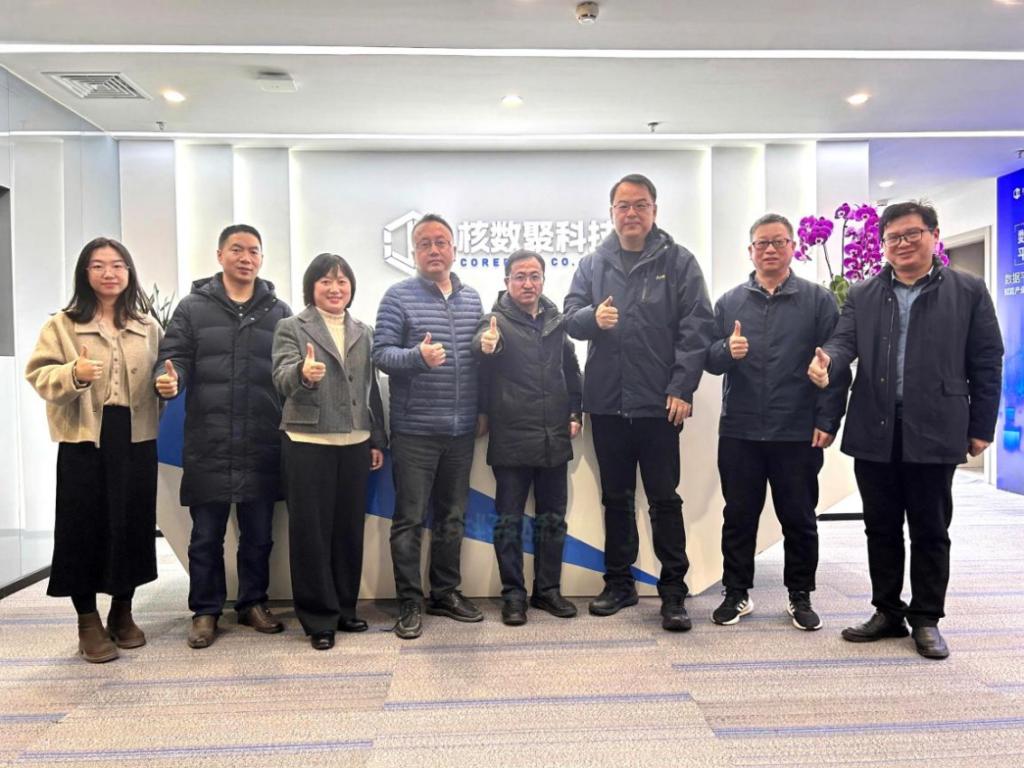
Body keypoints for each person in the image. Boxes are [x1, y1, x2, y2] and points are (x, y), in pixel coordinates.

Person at [808, 201, 1003, 659]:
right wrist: (828, 362)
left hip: (936, 425)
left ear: (934, 235)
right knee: (880, 526)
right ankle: (887, 611)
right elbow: (843, 342)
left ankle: (927, 618)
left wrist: (981, 425)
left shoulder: (968, 290)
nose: (903, 243)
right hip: (875, 425)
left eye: (912, 234)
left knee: (930, 528)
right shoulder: (864, 293)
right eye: (893, 237)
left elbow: (986, 360)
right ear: (883, 244)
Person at [564, 173, 715, 631]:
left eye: (641, 205)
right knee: (616, 498)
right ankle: (619, 584)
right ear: (612, 212)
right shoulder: (593, 264)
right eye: (623, 206)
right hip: (607, 403)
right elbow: (569, 319)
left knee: (665, 500)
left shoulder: (679, 262)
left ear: (654, 210)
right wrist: (593, 317)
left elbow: (697, 328)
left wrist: (682, 387)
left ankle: (673, 591)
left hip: (659, 404)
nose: (632, 213)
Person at [705, 214, 846, 631]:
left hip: (796, 430)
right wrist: (726, 350)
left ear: (793, 247)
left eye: (778, 242)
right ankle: (736, 592)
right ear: (750, 251)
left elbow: (835, 366)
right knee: (738, 516)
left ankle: (800, 595)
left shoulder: (818, 301)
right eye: (762, 243)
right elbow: (708, 359)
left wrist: (827, 419)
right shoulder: (730, 302)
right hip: (740, 430)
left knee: (799, 518)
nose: (769, 249)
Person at [154, 223, 292, 649]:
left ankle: (253, 603)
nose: (246, 258)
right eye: (237, 249)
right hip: (209, 439)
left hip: (261, 440)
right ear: (220, 255)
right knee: (206, 536)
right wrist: (168, 379)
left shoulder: (278, 311)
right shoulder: (193, 308)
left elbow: (288, 369)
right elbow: (173, 357)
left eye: (254, 251)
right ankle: (205, 610)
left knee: (259, 535)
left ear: (261, 259)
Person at [25, 237, 161, 663]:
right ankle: (87, 619)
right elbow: (39, 374)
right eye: (98, 265)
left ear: (129, 273)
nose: (109, 273)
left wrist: (168, 385)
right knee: (81, 526)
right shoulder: (63, 325)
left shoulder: (147, 325)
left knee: (133, 522)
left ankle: (123, 610)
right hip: (85, 437)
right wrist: (75, 373)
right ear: (85, 274)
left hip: (136, 436)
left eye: (118, 265)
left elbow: (164, 372)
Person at [373, 213, 485, 640]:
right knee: (409, 519)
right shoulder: (397, 296)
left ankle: (445, 592)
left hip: (461, 431)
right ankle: (408, 601)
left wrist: (482, 409)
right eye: (424, 243)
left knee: (452, 517)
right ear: (414, 251)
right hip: (415, 431)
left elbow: (478, 361)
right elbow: (381, 355)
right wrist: (417, 358)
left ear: (454, 248)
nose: (434, 250)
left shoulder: (472, 299)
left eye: (441, 242)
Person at [272, 254, 386, 650]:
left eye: (341, 281)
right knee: (311, 533)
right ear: (312, 287)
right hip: (308, 441)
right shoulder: (291, 326)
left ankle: (344, 609)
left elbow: (371, 390)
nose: (335, 289)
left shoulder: (364, 330)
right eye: (325, 281)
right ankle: (318, 618)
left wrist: (376, 439)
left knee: (348, 531)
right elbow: (280, 376)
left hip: (355, 442)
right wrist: (302, 375)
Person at [473, 249, 583, 626]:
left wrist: (575, 411)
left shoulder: (557, 321)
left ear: (543, 281)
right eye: (520, 276)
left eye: (534, 276)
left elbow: (572, 370)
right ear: (507, 281)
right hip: (512, 437)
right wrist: (486, 345)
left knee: (552, 519)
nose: (528, 283)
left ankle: (547, 591)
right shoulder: (494, 321)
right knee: (509, 522)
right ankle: (513, 596)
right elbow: (481, 350)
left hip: (554, 436)